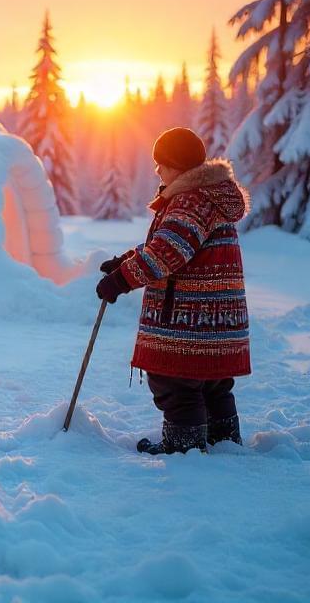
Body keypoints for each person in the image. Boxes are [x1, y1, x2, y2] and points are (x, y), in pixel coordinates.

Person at [95, 127, 251, 454]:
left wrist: (121, 280)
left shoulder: (191, 200)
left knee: (175, 382)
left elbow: (167, 251)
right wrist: (124, 261)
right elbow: (170, 243)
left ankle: (185, 449)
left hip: (187, 319)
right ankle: (223, 443)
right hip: (214, 320)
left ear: (178, 166)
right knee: (212, 383)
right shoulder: (207, 196)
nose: (157, 170)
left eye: (162, 163)